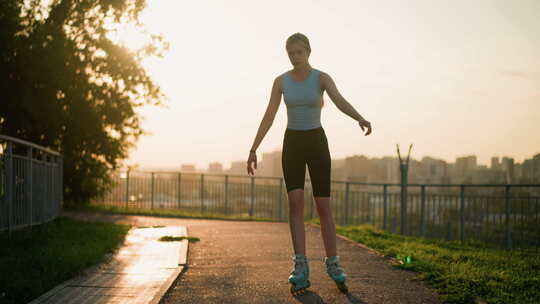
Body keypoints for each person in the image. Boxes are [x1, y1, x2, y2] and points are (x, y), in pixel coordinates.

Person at [246, 32, 372, 295]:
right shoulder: (280, 82)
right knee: (295, 203)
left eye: (299, 52)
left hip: (316, 142)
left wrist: (359, 117)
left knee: (323, 206)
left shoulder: (321, 78)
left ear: (308, 52)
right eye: (290, 53)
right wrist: (254, 147)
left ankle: (334, 264)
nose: (295, 57)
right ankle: (301, 267)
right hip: (292, 143)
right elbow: (269, 115)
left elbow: (339, 101)